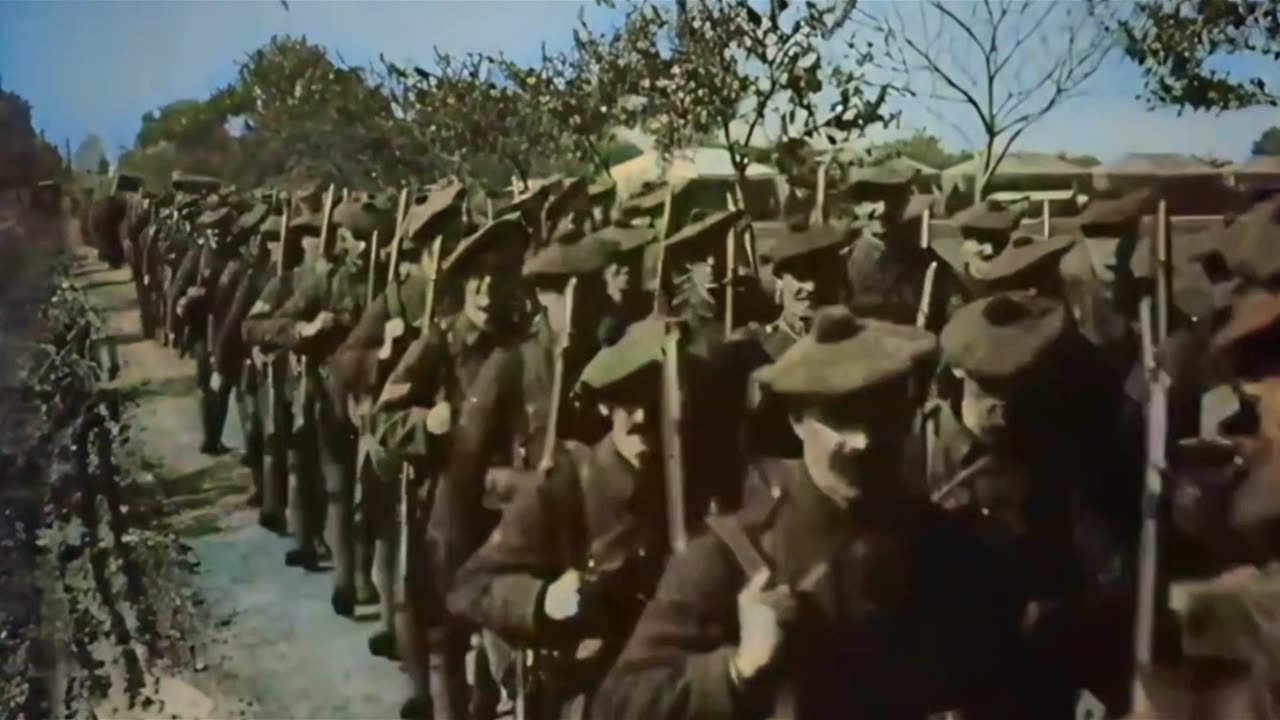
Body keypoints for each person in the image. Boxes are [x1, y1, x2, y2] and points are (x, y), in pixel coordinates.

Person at [593, 305, 1025, 720]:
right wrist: (737, 671)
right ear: (798, 422)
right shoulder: (735, 559)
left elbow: (1008, 684)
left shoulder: (946, 547)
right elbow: (619, 705)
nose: (863, 441)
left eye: (882, 415)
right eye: (840, 418)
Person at [448, 317, 677, 720]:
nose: (641, 417)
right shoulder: (568, 484)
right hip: (591, 691)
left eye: (654, 400)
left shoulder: (699, 481)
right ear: (605, 405)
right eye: (626, 399)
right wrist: (542, 601)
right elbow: (473, 584)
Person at [930, 291, 1142, 717]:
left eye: (1021, 386)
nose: (1006, 409)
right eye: (990, 389)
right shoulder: (917, 452)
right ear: (957, 374)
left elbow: (1105, 568)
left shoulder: (1055, 450)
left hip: (1048, 672)